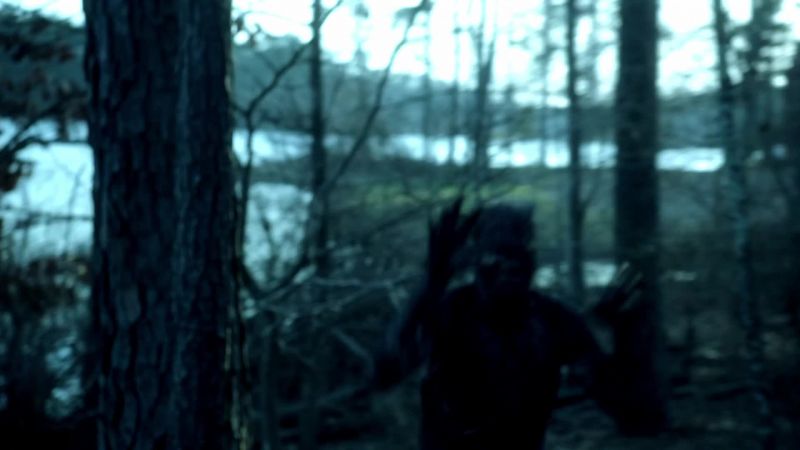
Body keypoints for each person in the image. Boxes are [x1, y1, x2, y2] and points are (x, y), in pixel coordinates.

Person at [373, 198, 641, 450]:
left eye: (519, 256)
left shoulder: (554, 321)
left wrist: (618, 336)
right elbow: (386, 371)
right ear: (477, 261)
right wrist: (432, 280)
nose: (510, 269)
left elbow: (633, 415)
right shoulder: (450, 313)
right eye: (497, 257)